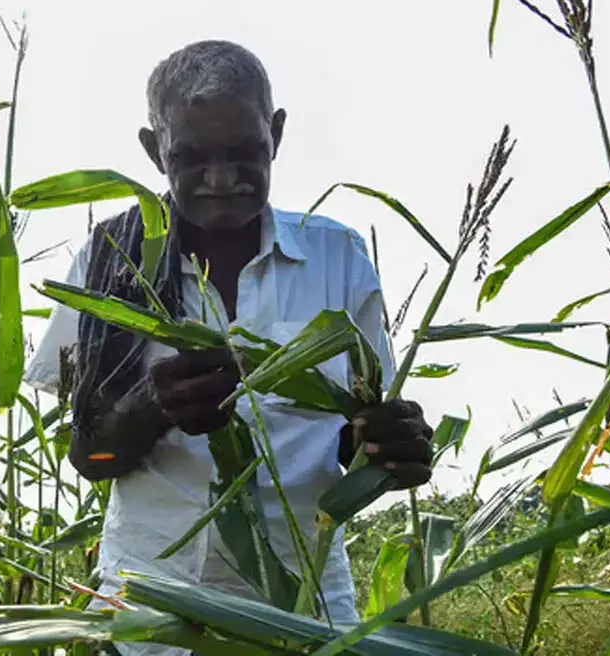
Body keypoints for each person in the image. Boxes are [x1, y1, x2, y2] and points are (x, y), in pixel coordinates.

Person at [23, 40, 433, 656]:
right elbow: (91, 458)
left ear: (277, 133)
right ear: (153, 148)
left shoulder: (336, 257)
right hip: (155, 615)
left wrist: (395, 447)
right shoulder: (114, 261)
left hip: (304, 609)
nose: (221, 180)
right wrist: (151, 408)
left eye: (246, 153)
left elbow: (357, 439)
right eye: (191, 157)